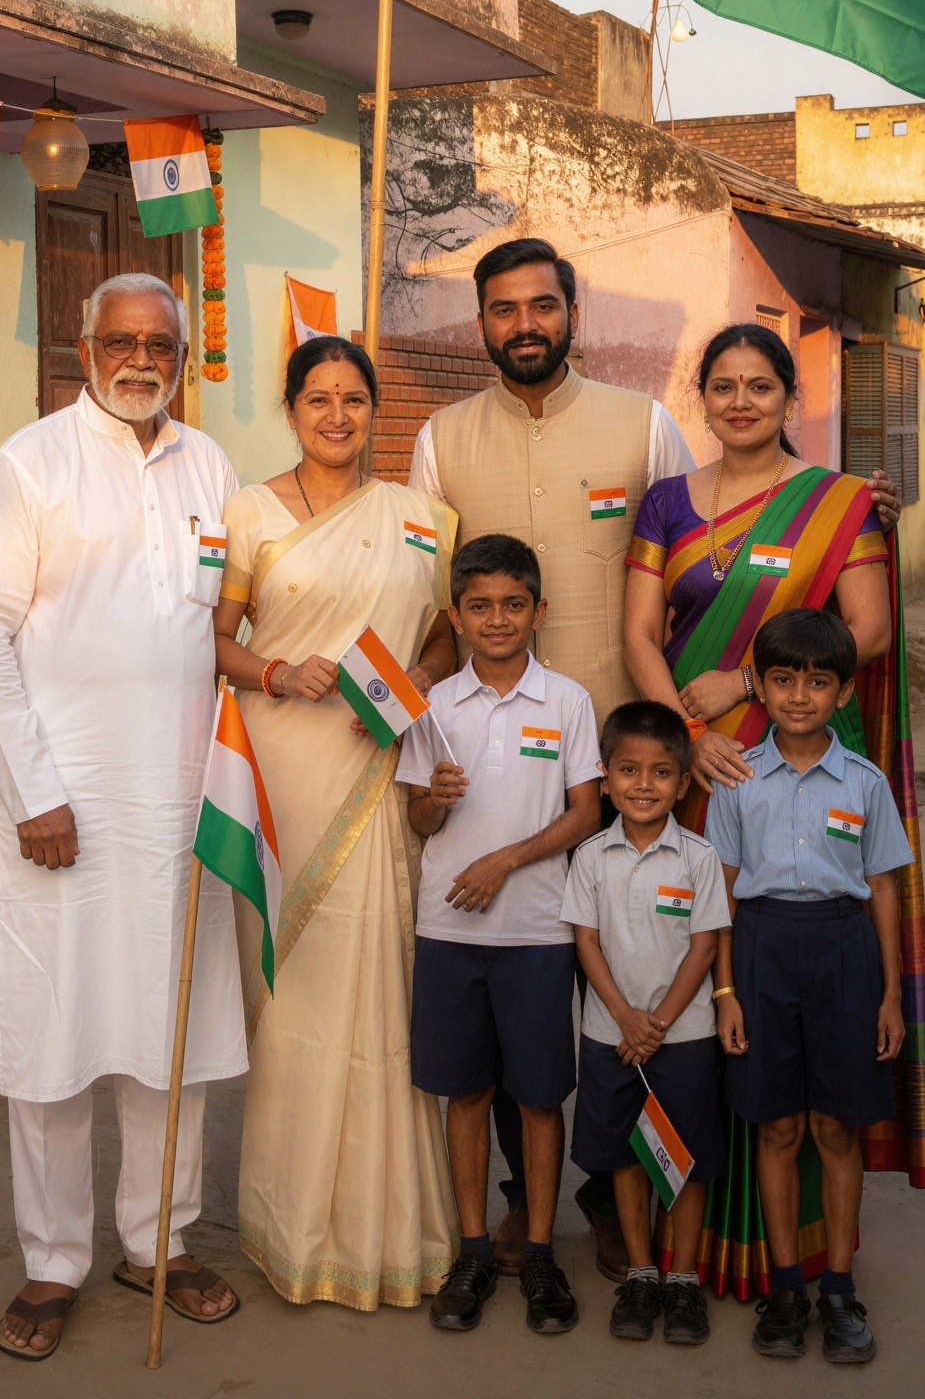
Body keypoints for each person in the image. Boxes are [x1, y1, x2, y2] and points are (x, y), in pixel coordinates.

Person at [408, 238, 900, 1278]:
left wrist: (855, 514)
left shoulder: (643, 426)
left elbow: (722, 542)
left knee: (647, 961)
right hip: (509, 756)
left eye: (544, 305)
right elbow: (430, 601)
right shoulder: (442, 442)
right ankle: (527, 1201)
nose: (526, 324)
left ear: (572, 313)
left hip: (647, 758)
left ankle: (645, 1202)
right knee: (527, 976)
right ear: (482, 324)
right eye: (504, 310)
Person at [0, 272, 243, 1362]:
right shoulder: (30, 464)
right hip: (61, 809)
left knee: (168, 1032)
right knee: (57, 1034)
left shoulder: (207, 465)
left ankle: (157, 1241)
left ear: (181, 355)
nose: (139, 359)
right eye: (119, 340)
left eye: (158, 343)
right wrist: (33, 793)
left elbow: (221, 621)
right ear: (83, 350)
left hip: (174, 803)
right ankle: (53, 1260)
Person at [621, 320, 925, 1304]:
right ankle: (683, 1243)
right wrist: (687, 731)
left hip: (777, 760)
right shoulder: (666, 504)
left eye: (762, 385)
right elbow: (639, 634)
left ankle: (803, 1263)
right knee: (685, 976)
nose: (743, 401)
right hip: (694, 774)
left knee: (777, 989)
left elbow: (868, 630)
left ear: (789, 397)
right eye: (724, 386)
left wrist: (743, 695)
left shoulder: (837, 504)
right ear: (702, 398)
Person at [210, 335, 456, 1311]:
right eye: (320, 399)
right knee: (295, 1004)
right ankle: (289, 1224)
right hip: (281, 778)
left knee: (381, 992)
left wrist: (408, 687)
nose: (339, 416)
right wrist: (277, 671)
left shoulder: (421, 518)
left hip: (374, 762)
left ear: (375, 408)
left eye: (356, 399)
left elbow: (442, 629)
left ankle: (391, 1228)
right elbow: (213, 640)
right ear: (291, 406)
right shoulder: (249, 512)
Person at [398, 533, 603, 1336]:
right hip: (450, 930)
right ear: (457, 613)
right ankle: (475, 1248)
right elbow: (417, 817)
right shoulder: (435, 708)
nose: (496, 620)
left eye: (513, 605)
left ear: (539, 612)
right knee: (467, 1092)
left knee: (541, 1095)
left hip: (537, 930)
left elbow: (586, 810)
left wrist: (506, 860)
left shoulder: (568, 702)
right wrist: (438, 801)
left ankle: (544, 1250)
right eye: (478, 606)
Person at [707, 609, 914, 1366]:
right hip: (761, 949)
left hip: (842, 950)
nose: (799, 696)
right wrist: (725, 991)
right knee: (777, 1129)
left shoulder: (864, 783)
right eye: (784, 679)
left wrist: (891, 995)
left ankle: (837, 1287)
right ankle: (786, 1289)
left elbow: (884, 890)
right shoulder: (736, 779)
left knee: (835, 1128)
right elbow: (719, 897)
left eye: (818, 681)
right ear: (759, 685)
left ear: (844, 693)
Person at [561, 700, 732, 1349]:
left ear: (683, 784)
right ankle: (640, 1271)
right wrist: (627, 1019)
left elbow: (705, 946)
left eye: (661, 773)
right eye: (628, 770)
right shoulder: (591, 859)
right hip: (611, 1037)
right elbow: (586, 944)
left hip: (683, 1037)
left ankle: (682, 1278)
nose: (642, 784)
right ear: (603, 779)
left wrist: (657, 1021)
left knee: (681, 1159)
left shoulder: (697, 857)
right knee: (631, 1156)